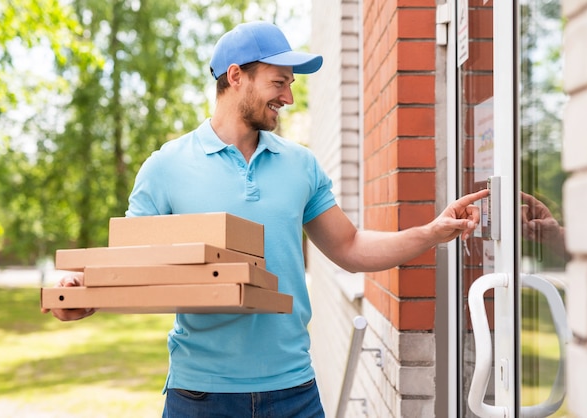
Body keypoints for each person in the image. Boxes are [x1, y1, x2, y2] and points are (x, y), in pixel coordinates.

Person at [43, 21, 489, 418]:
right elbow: (131, 260)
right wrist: (82, 290)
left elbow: (350, 248)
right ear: (236, 76)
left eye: (291, 84)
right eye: (279, 82)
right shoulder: (167, 166)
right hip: (200, 394)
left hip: (292, 391)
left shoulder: (302, 166)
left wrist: (432, 232)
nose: (289, 97)